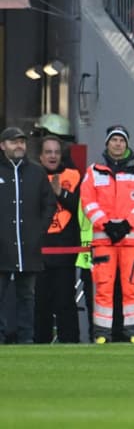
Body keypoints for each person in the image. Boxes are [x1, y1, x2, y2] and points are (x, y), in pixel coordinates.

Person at [79, 125, 134, 344]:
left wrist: (126, 225)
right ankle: (102, 334)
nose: (118, 144)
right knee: (103, 287)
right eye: (114, 140)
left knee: (131, 288)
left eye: (121, 140)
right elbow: (88, 202)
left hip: (130, 241)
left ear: (127, 144)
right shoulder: (93, 172)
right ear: (107, 143)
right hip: (104, 240)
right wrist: (107, 225)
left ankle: (133, 334)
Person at [0, 127, 56, 344]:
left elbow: (49, 204)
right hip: (2, 247)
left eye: (22, 142)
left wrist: (39, 231)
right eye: (14, 142)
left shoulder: (37, 172)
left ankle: (26, 339)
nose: (19, 146)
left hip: (29, 248)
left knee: (27, 297)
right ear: (3, 145)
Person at [34, 135, 81, 344]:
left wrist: (61, 193)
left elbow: (81, 208)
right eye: (48, 152)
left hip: (65, 250)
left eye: (56, 152)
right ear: (40, 157)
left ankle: (70, 344)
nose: (52, 156)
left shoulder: (74, 175)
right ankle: (39, 344)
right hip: (39, 251)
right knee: (40, 302)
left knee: (65, 302)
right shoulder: (32, 176)